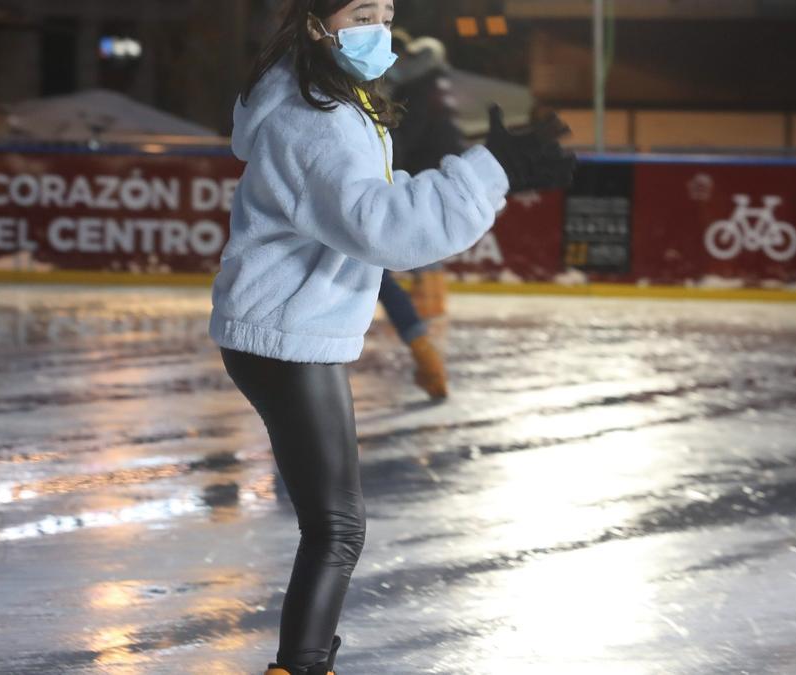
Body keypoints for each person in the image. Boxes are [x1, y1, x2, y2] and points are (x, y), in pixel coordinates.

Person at [207, 1, 575, 673]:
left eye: (387, 10)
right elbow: (383, 227)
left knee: (333, 525)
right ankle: (300, 666)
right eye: (362, 12)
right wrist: (492, 171)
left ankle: (304, 660)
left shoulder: (326, 100)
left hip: (284, 330)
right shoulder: (312, 116)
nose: (381, 27)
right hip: (285, 336)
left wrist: (482, 170)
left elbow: (373, 202)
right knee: (338, 529)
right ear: (318, 23)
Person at [373, 29, 467, 400]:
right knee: (381, 268)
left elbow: (404, 138)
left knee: (378, 269)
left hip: (419, 181)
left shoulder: (417, 91)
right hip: (428, 181)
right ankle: (425, 343)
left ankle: (426, 336)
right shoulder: (436, 87)